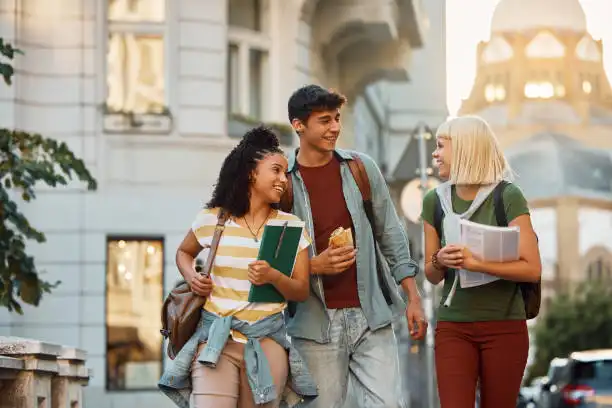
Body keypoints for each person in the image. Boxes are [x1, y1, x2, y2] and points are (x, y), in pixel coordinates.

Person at [283, 84, 427, 408]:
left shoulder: (360, 169)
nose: (335, 127)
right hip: (314, 323)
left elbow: (391, 233)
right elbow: (273, 260)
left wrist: (413, 297)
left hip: (371, 317)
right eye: (324, 120)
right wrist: (315, 265)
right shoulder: (285, 185)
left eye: (337, 118)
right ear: (298, 125)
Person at [158, 126, 318, 408]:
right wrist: (192, 276)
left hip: (267, 343)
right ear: (251, 173)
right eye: (276, 171)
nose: (283, 179)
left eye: (285, 173)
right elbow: (184, 252)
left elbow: (301, 290)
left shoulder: (290, 228)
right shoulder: (213, 220)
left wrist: (273, 276)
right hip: (215, 342)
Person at [420, 115, 541, 408]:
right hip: (454, 326)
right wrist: (440, 259)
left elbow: (531, 268)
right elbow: (431, 275)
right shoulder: (433, 201)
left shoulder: (508, 196)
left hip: (504, 326)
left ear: (465, 148)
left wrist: (477, 264)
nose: (435, 154)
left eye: (441, 146)